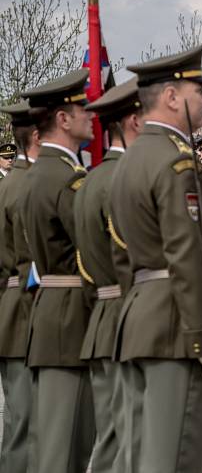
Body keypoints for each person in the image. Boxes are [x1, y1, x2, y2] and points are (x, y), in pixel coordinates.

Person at [111, 45, 202, 472]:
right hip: (177, 332)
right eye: (197, 90)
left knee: (144, 456)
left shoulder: (132, 160)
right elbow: (186, 253)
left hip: (144, 321)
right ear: (170, 97)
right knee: (175, 458)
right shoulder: (175, 162)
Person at [17, 69, 96, 471]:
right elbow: (92, 254)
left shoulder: (40, 173)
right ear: (62, 119)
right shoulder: (65, 180)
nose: (90, 115)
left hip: (54, 314)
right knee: (67, 449)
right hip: (70, 320)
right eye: (81, 108)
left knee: (58, 445)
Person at [73, 78, 142, 473]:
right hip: (129, 321)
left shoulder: (90, 179)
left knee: (114, 434)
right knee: (126, 435)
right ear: (133, 121)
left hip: (102, 317)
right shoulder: (126, 180)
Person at [0, 101, 39, 473]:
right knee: (26, 423)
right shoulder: (26, 188)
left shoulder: (11, 185)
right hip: (25, 312)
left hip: (13, 311)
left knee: (21, 421)